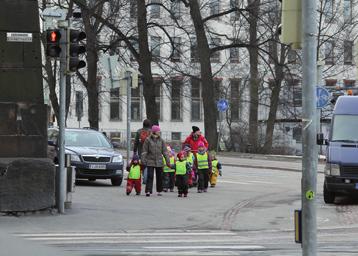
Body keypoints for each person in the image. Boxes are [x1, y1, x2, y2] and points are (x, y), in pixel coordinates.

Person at [141, 125, 170, 197]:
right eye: (158, 131)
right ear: (154, 132)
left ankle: (159, 190)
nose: (159, 132)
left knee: (159, 177)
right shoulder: (148, 140)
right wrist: (143, 160)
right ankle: (148, 191)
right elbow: (144, 151)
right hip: (150, 161)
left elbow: (165, 152)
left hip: (159, 161)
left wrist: (167, 161)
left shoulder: (161, 140)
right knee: (150, 176)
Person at [133, 119, 152, 184]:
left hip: (140, 151)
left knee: (142, 164)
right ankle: (146, 178)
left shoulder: (139, 131)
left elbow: (136, 142)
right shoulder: (151, 132)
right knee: (147, 165)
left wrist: (134, 151)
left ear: (143, 124)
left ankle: (142, 177)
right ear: (149, 125)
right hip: (149, 151)